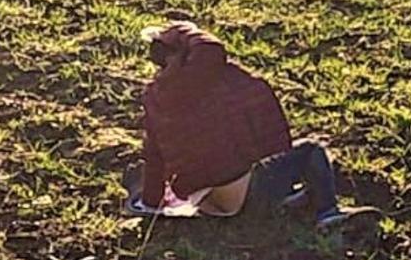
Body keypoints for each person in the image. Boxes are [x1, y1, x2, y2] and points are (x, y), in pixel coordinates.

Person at [125, 21, 377, 229]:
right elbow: (211, 48)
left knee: (250, 165)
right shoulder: (210, 76)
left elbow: (154, 156)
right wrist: (182, 30)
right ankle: (328, 213)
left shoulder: (155, 96)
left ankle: (294, 201)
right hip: (246, 196)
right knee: (311, 149)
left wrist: (151, 204)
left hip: (210, 205)